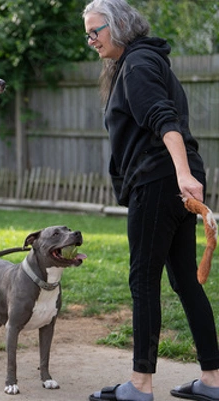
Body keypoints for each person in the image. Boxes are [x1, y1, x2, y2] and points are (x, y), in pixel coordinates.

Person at [82, 1, 219, 400]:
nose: (91, 40)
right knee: (184, 280)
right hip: (171, 179)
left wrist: (181, 174)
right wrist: (185, 175)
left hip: (160, 180)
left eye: (96, 31)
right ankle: (213, 380)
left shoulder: (138, 65)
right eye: (87, 33)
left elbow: (164, 119)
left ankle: (140, 385)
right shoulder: (144, 62)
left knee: (144, 280)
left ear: (120, 26)